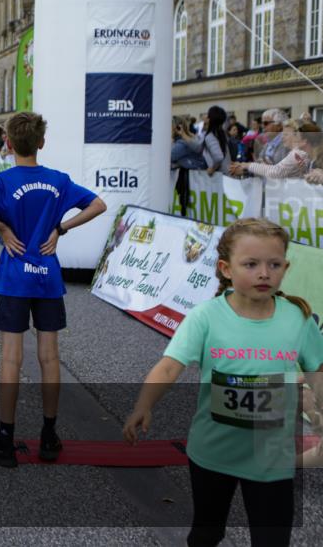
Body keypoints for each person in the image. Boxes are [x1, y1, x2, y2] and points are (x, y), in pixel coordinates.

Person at [123, 218, 323, 547]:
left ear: (285, 267)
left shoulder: (297, 319)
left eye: (274, 264)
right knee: (207, 533)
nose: (264, 273)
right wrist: (143, 405)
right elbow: (169, 367)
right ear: (226, 269)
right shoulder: (205, 317)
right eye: (251, 264)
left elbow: (318, 372)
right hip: (212, 453)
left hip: (272, 457)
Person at [0, 111, 107, 467]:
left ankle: (5, 438)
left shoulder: (3, 180)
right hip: (47, 277)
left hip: (15, 277)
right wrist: (61, 228)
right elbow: (98, 204)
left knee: (11, 358)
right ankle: (48, 435)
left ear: (8, 143)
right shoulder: (58, 180)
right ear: (41, 142)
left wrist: (4, 229)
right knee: (49, 357)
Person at [231, 121, 320, 181]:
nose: (282, 137)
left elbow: (275, 172)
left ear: (304, 141)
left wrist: (247, 165)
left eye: (286, 134)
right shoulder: (300, 154)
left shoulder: (297, 153)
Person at [201, 105, 231, 175]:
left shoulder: (210, 136)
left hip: (219, 175)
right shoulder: (222, 134)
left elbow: (218, 157)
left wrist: (212, 169)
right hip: (227, 173)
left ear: (210, 119)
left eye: (208, 115)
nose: (206, 117)